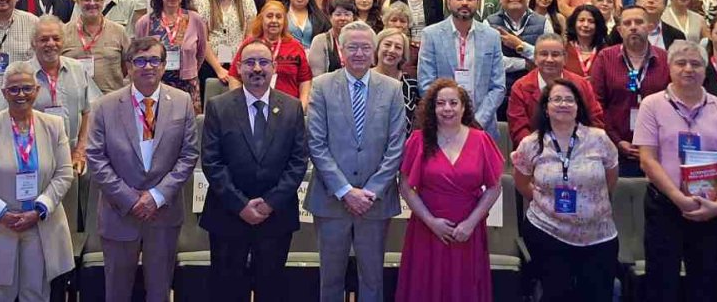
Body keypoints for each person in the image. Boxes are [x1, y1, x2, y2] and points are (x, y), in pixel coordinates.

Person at [85, 37, 200, 302]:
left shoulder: (182, 102)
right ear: (128, 66)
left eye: (154, 60)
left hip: (164, 213)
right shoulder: (105, 105)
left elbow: (189, 154)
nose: (147, 67)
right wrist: (130, 199)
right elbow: (96, 158)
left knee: (159, 291)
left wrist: (157, 197)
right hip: (119, 212)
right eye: (140, 60)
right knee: (117, 291)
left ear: (163, 66)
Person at [634, 41, 717, 302]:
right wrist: (679, 198)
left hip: (711, 209)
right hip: (665, 207)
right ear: (669, 68)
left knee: (706, 284)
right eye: (681, 63)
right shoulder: (651, 105)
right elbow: (647, 161)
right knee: (662, 283)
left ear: (705, 69)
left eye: (696, 64)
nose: (688, 69)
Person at [200, 39, 310, 302]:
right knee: (227, 291)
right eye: (249, 62)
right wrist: (241, 205)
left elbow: (298, 162)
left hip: (276, 217)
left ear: (274, 68)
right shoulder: (218, 106)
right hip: (227, 215)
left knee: (271, 289)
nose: (257, 68)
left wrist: (269, 204)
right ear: (238, 67)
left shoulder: (292, 107)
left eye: (263, 62)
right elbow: (212, 162)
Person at [0, 64, 77, 302]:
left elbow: (64, 174)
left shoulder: (54, 125)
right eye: (13, 89)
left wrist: (39, 209)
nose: (21, 94)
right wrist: (1, 213)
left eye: (26, 88)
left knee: (37, 294)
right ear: (4, 94)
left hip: (40, 224)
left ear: (37, 90)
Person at [307, 21, 407, 302]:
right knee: (330, 278)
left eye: (365, 47)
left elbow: (396, 146)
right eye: (353, 47)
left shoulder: (392, 89)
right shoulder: (322, 86)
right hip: (331, 199)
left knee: (373, 277)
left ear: (374, 51)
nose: (360, 53)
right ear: (341, 50)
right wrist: (345, 191)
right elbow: (316, 143)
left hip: (375, 202)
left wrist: (371, 192)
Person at [395, 79, 504, 302]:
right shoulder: (418, 139)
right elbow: (405, 186)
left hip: (467, 231)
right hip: (427, 227)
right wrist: (430, 221)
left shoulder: (481, 139)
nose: (447, 109)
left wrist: (470, 223)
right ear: (432, 108)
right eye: (440, 103)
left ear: (464, 107)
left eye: (453, 103)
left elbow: (494, 187)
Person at [511, 77, 619, 301]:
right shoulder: (531, 144)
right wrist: (546, 202)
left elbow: (610, 179)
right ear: (546, 108)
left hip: (598, 236)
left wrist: (587, 203)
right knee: (556, 294)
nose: (563, 104)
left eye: (569, 100)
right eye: (556, 99)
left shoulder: (599, 139)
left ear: (578, 107)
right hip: (548, 233)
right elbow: (521, 183)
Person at [0, 15, 97, 174]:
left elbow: (89, 112)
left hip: (73, 158)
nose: (51, 44)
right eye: (44, 39)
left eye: (56, 38)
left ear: (63, 41)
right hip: (32, 159)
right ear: (33, 43)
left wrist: (81, 150)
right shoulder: (20, 74)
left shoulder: (78, 69)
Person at [417, 0, 506, 138]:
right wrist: (449, 115)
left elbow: (498, 86)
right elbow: (426, 83)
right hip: (442, 126)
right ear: (448, 2)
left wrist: (478, 120)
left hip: (482, 128)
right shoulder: (431, 35)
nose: (465, 3)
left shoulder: (492, 36)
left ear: (478, 3)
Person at [591, 6, 671, 177]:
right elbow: (596, 105)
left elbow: (673, 106)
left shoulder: (666, 59)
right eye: (627, 23)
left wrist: (653, 143)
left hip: (659, 150)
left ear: (649, 27)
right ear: (620, 30)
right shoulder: (605, 58)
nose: (633, 27)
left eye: (639, 22)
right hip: (614, 148)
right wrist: (617, 141)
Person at [134, 0, 208, 104]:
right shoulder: (145, 22)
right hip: (155, 84)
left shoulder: (195, 19)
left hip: (188, 85)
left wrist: (190, 68)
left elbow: (201, 52)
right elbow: (137, 54)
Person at [61, 0, 131, 94]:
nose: (92, 3)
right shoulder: (63, 32)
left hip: (110, 98)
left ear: (103, 1)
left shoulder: (119, 31)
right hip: (75, 99)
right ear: (78, 2)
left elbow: (127, 65)